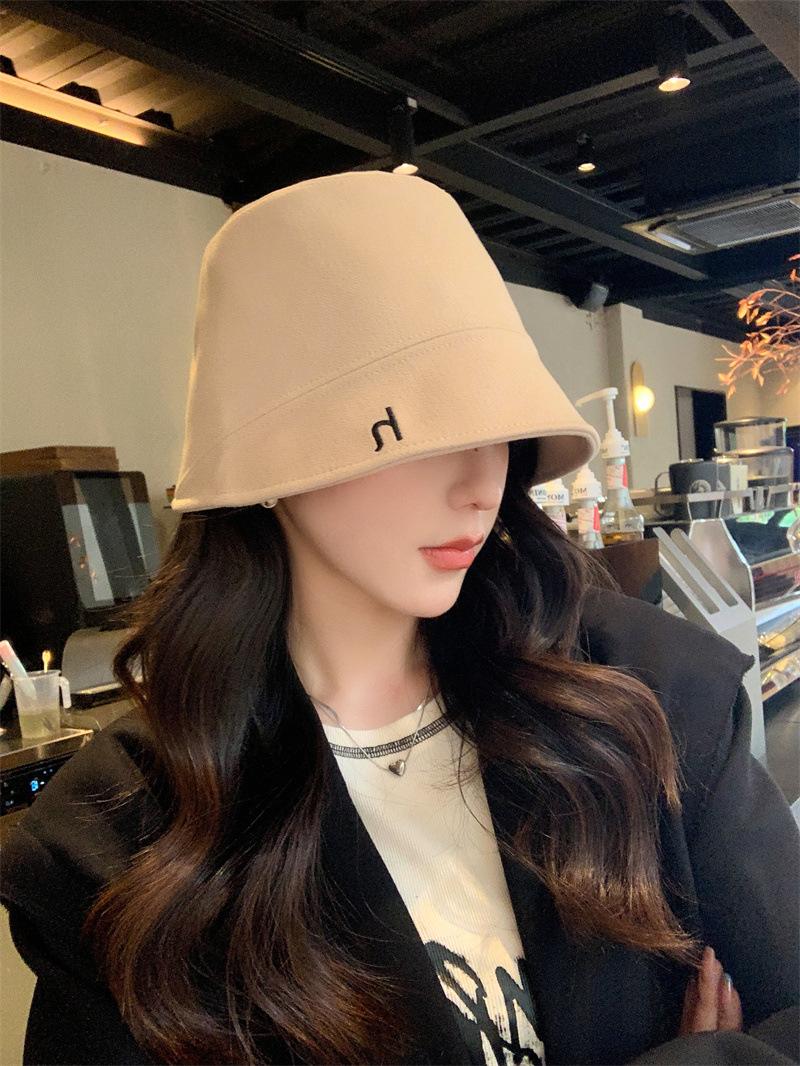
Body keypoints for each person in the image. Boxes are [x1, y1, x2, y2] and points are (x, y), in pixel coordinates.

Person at [2, 171, 798, 1066]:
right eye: (417, 432)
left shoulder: (642, 692)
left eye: (497, 426)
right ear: (265, 452)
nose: (480, 483)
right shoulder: (122, 839)